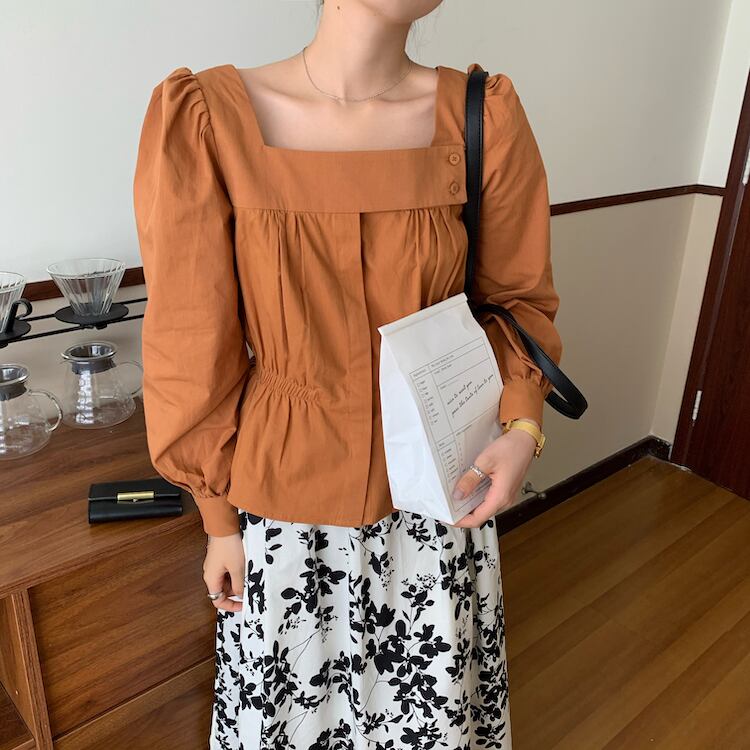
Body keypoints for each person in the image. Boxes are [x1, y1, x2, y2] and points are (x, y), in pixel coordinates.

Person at [133, 1, 562, 747]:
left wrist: (524, 424)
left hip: (441, 501)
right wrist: (217, 520)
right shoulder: (206, 120)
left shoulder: (482, 116)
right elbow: (190, 343)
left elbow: (516, 301)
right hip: (282, 513)